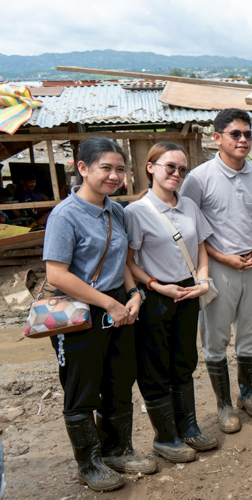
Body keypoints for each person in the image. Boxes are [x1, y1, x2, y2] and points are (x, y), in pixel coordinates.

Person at [43, 137, 157, 492]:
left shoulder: (116, 211)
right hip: (80, 314)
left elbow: (122, 260)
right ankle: (89, 463)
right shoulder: (65, 215)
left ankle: (118, 449)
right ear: (83, 168)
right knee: (82, 389)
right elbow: (56, 274)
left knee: (119, 381)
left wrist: (133, 293)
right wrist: (107, 303)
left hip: (119, 310)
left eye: (120, 169)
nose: (114, 176)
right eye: (105, 168)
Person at [125, 143, 218, 463]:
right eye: (170, 167)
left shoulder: (190, 206)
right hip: (155, 297)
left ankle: (188, 428)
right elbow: (129, 261)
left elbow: (201, 248)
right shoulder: (136, 212)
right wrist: (155, 286)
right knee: (155, 367)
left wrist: (202, 281)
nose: (177, 174)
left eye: (182, 169)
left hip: (188, 293)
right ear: (151, 167)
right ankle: (165, 437)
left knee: (184, 360)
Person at [181, 108, 252, 433]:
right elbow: (189, 228)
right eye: (236, 134)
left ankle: (249, 395)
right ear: (217, 137)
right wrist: (221, 257)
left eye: (247, 134)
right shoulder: (199, 179)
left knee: (250, 334)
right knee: (216, 338)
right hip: (217, 268)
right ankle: (224, 405)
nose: (243, 140)